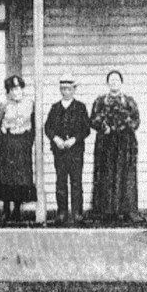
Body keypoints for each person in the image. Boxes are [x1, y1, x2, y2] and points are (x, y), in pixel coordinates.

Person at [90, 69, 140, 221]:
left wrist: (123, 125)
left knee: (126, 175)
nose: (114, 83)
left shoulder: (129, 101)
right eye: (111, 81)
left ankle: (127, 210)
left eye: (117, 81)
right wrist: (102, 126)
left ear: (121, 83)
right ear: (107, 83)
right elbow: (93, 119)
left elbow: (136, 121)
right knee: (106, 175)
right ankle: (106, 211)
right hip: (106, 144)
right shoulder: (100, 101)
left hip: (125, 144)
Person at [44, 73, 90, 224]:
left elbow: (86, 129)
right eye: (63, 89)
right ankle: (62, 212)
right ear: (60, 90)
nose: (66, 92)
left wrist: (74, 139)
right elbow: (48, 127)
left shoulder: (80, 107)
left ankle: (77, 212)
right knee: (61, 182)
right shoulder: (55, 108)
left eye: (69, 89)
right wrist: (56, 139)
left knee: (76, 182)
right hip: (60, 152)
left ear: (74, 90)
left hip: (75, 151)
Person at [0, 75, 36, 222]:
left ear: (22, 89)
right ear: (8, 91)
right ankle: (6, 210)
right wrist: (1, 141)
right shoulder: (4, 105)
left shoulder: (30, 103)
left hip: (22, 144)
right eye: (12, 89)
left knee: (20, 178)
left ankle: (17, 210)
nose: (16, 92)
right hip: (8, 144)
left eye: (18, 88)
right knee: (6, 177)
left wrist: (29, 140)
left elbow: (35, 124)